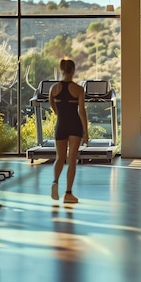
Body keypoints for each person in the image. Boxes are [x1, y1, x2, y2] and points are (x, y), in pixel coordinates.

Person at [49, 58, 89, 203]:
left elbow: (53, 107)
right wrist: (86, 132)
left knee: (60, 157)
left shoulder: (53, 89)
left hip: (61, 125)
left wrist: (60, 115)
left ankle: (55, 182)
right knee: (72, 160)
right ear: (72, 70)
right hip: (74, 125)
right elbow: (82, 111)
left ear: (62, 70)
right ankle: (68, 193)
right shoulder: (78, 89)